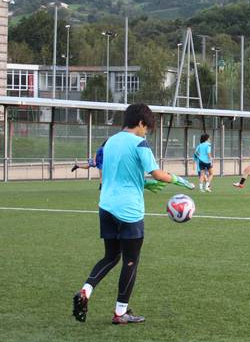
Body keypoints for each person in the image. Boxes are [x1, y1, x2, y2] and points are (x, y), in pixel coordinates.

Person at [72, 104, 194, 325]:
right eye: (146, 127)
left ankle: (86, 290)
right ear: (140, 123)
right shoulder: (140, 143)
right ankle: (121, 313)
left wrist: (144, 184)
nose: (146, 132)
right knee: (130, 261)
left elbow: (113, 174)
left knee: (110, 256)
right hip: (129, 211)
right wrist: (176, 179)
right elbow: (157, 173)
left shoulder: (109, 142)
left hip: (106, 206)